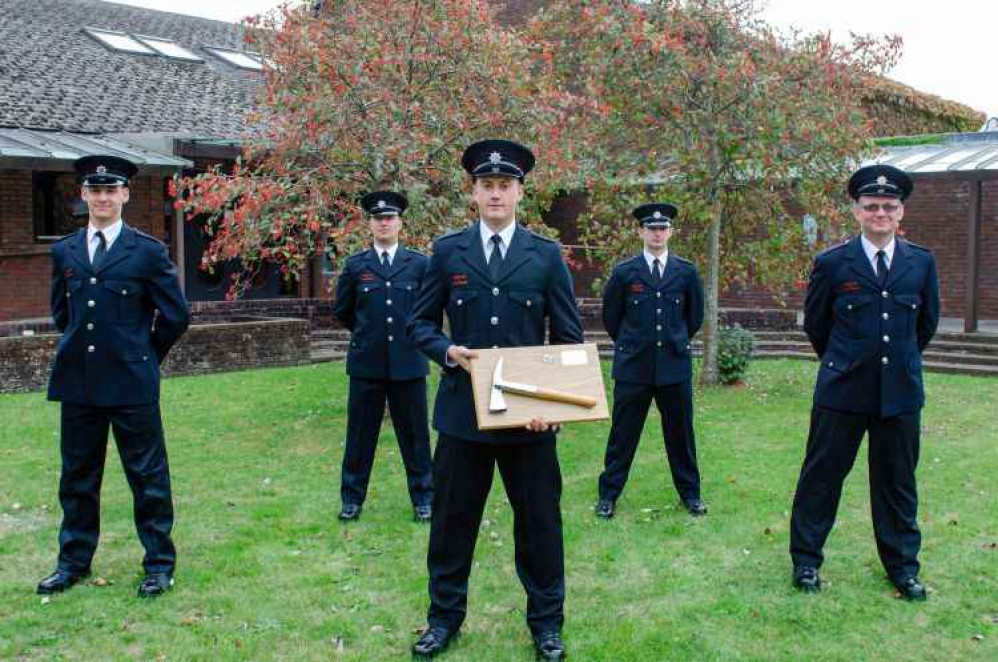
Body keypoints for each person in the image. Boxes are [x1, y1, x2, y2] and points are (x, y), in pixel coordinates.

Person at [407, 139, 583, 660]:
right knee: (451, 525)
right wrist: (446, 350)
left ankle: (547, 624)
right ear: (474, 192)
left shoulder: (546, 256)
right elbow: (419, 323)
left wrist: (554, 410)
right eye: (487, 186)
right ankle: (443, 620)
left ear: (520, 193)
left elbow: (569, 340)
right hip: (464, 416)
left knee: (540, 526)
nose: (496, 195)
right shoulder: (447, 252)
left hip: (529, 419)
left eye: (505, 186)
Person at [38, 154, 190, 598]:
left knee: (147, 478)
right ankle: (73, 562)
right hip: (79, 383)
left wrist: (144, 355)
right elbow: (62, 314)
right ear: (83, 195)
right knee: (77, 477)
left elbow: (176, 315)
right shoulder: (64, 250)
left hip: (130, 384)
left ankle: (159, 564)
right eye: (95, 190)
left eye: (111, 190)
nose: (103, 197)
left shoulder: (146, 251)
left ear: (125, 195)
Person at [789, 164, 940, 600]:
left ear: (900, 212)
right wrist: (844, 363)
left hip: (900, 394)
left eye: (888, 207)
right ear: (855, 211)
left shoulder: (921, 263)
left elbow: (924, 326)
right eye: (871, 206)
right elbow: (817, 325)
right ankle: (806, 562)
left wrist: (897, 366)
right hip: (842, 392)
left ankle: (903, 569)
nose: (880, 213)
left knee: (897, 484)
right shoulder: (833, 263)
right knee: (821, 478)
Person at [595, 203, 706, 519]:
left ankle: (691, 495)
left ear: (670, 232)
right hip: (634, 368)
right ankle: (608, 496)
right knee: (622, 436)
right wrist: (633, 344)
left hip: (674, 366)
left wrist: (675, 339)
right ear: (640, 232)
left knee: (681, 436)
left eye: (662, 228)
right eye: (651, 228)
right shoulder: (624, 272)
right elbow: (611, 317)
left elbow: (694, 317)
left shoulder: (686, 272)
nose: (657, 234)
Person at [332, 191, 433, 522]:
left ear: (400, 222)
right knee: (360, 437)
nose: (384, 223)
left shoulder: (419, 265)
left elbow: (429, 310)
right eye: (378, 218)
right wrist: (367, 335)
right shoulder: (356, 265)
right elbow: (344, 310)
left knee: (416, 437)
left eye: (390, 218)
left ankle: (423, 499)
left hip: (409, 363)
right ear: (370, 224)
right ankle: (352, 499)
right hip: (367, 365)